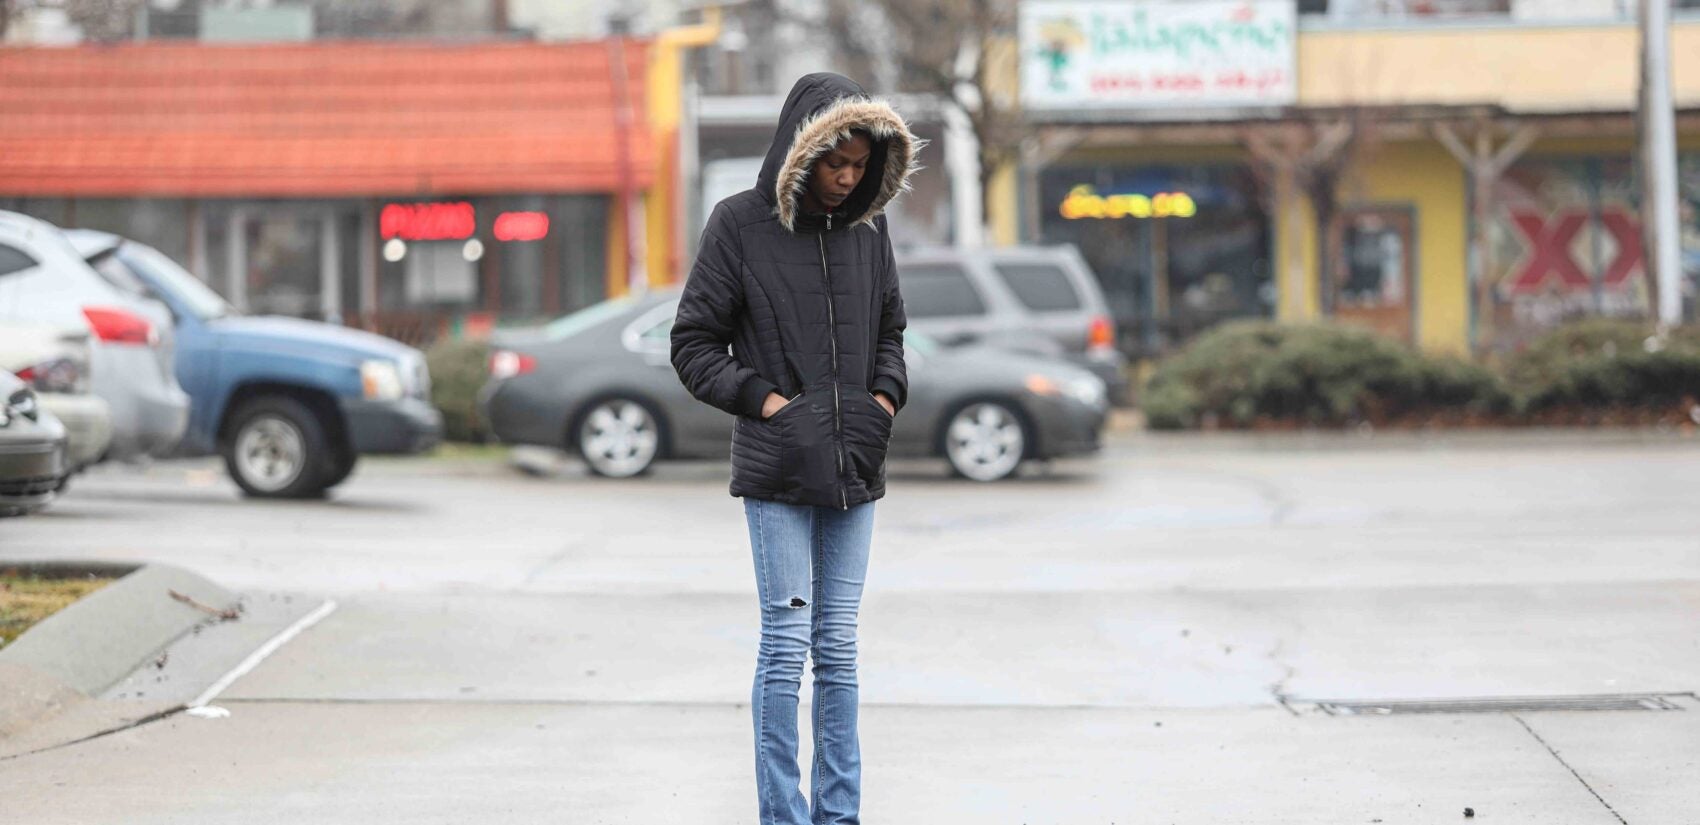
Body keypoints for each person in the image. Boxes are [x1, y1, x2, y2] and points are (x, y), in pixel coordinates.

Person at [670, 72, 922, 824]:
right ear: (800, 151)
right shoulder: (738, 224)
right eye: (834, 163)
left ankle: (837, 815)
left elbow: (893, 335)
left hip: (855, 466)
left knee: (837, 648)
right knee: (785, 645)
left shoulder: (870, 234)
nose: (846, 180)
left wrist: (882, 402)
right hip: (778, 466)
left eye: (858, 166)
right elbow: (692, 344)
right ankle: (783, 814)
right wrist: (773, 405)